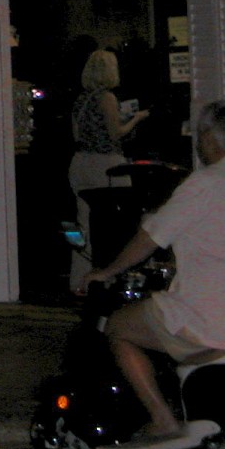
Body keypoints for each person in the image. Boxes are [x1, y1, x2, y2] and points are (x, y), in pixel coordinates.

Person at [79, 100, 225, 449]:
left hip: (216, 318)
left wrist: (107, 270)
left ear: (210, 139)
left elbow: (149, 238)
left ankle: (162, 419)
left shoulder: (203, 185)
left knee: (119, 328)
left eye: (200, 136)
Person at [67, 48, 149, 290]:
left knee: (83, 224)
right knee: (115, 223)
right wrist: (136, 119)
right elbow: (116, 134)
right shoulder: (107, 98)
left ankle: (79, 279)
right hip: (105, 165)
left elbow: (76, 133)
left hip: (80, 162)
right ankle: (111, 278)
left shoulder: (81, 100)